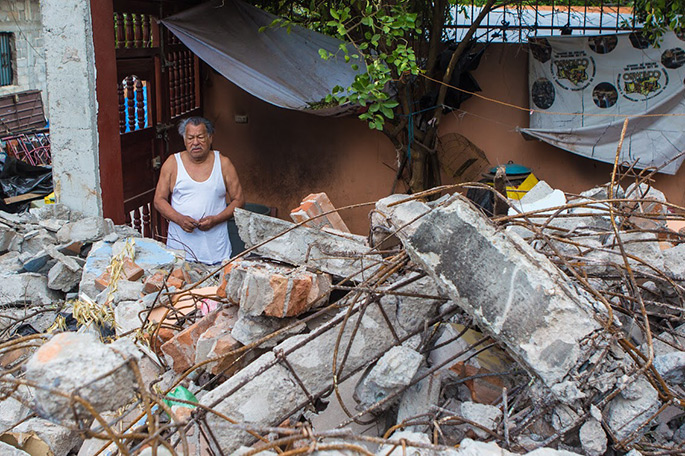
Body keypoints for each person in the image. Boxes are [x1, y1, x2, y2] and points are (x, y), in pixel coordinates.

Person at [154, 116, 244, 264]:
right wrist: (179, 219)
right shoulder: (172, 163)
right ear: (184, 140)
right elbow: (159, 200)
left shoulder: (223, 163)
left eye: (200, 137)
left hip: (216, 252)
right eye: (190, 138)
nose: (195, 142)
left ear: (210, 138)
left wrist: (215, 220)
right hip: (180, 251)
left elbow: (239, 200)